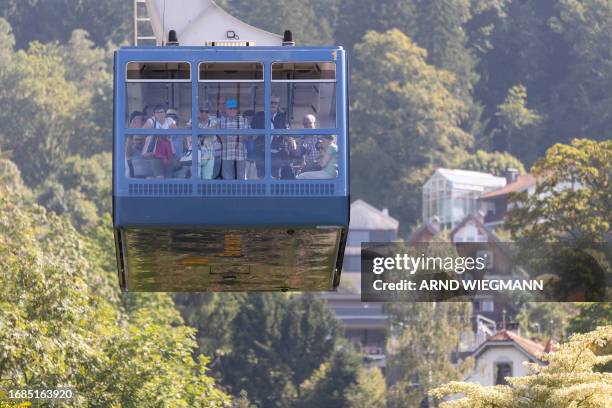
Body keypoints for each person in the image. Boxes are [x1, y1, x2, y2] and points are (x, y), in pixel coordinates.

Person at [142, 105, 179, 178]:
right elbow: (144, 130)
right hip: (154, 153)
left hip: (168, 153)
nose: (160, 114)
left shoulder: (170, 120)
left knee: (168, 177)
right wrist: (156, 133)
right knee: (160, 177)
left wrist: (167, 135)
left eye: (162, 112)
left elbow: (176, 131)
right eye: (157, 112)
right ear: (154, 114)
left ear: (165, 113)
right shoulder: (151, 120)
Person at [218, 99, 249, 179]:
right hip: (226, 154)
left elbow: (246, 137)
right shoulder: (221, 121)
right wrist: (237, 136)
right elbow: (221, 138)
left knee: (241, 177)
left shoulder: (244, 120)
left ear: (237, 109)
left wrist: (229, 136)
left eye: (234, 108)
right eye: (230, 108)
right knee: (227, 178)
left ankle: (241, 192)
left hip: (240, 154)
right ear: (226, 109)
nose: (232, 110)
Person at [196, 100, 220, 179]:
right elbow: (188, 129)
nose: (204, 113)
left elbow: (213, 130)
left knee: (207, 179)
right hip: (196, 154)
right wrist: (206, 132)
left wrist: (199, 131)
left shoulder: (213, 121)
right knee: (196, 178)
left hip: (209, 155)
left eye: (206, 111)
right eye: (202, 111)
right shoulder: (193, 121)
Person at [126, 111, 144, 177]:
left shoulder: (148, 139)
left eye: (142, 120)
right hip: (135, 181)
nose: (141, 123)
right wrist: (131, 134)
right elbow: (128, 153)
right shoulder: (130, 144)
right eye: (136, 121)